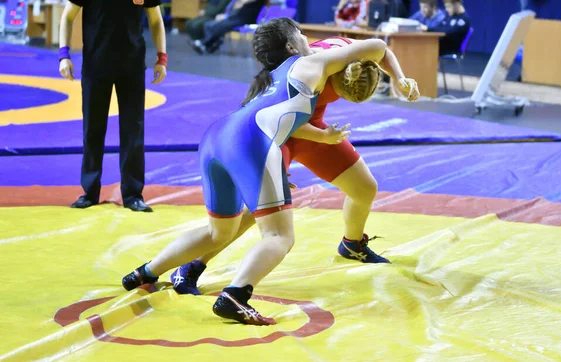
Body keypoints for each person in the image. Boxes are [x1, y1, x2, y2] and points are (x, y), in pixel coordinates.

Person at [122, 18, 419, 325]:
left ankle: (143, 273)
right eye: (302, 34)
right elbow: (380, 46)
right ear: (294, 45)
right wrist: (397, 80)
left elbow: (280, 115)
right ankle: (234, 294)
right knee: (277, 233)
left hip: (222, 137)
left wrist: (326, 135)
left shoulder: (277, 71)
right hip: (259, 142)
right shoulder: (318, 60)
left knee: (219, 230)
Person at [59, 0, 167, 212]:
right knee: (93, 128)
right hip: (96, 65)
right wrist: (64, 55)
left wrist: (161, 58)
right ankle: (89, 192)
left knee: (133, 130)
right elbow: (67, 16)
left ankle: (133, 194)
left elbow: (156, 19)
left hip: (132, 65)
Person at [189, 0, 266, 54]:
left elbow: (244, 2)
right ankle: (210, 45)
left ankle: (204, 43)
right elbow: (236, 7)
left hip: (246, 20)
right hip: (237, 17)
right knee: (211, 24)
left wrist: (241, 2)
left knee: (221, 25)